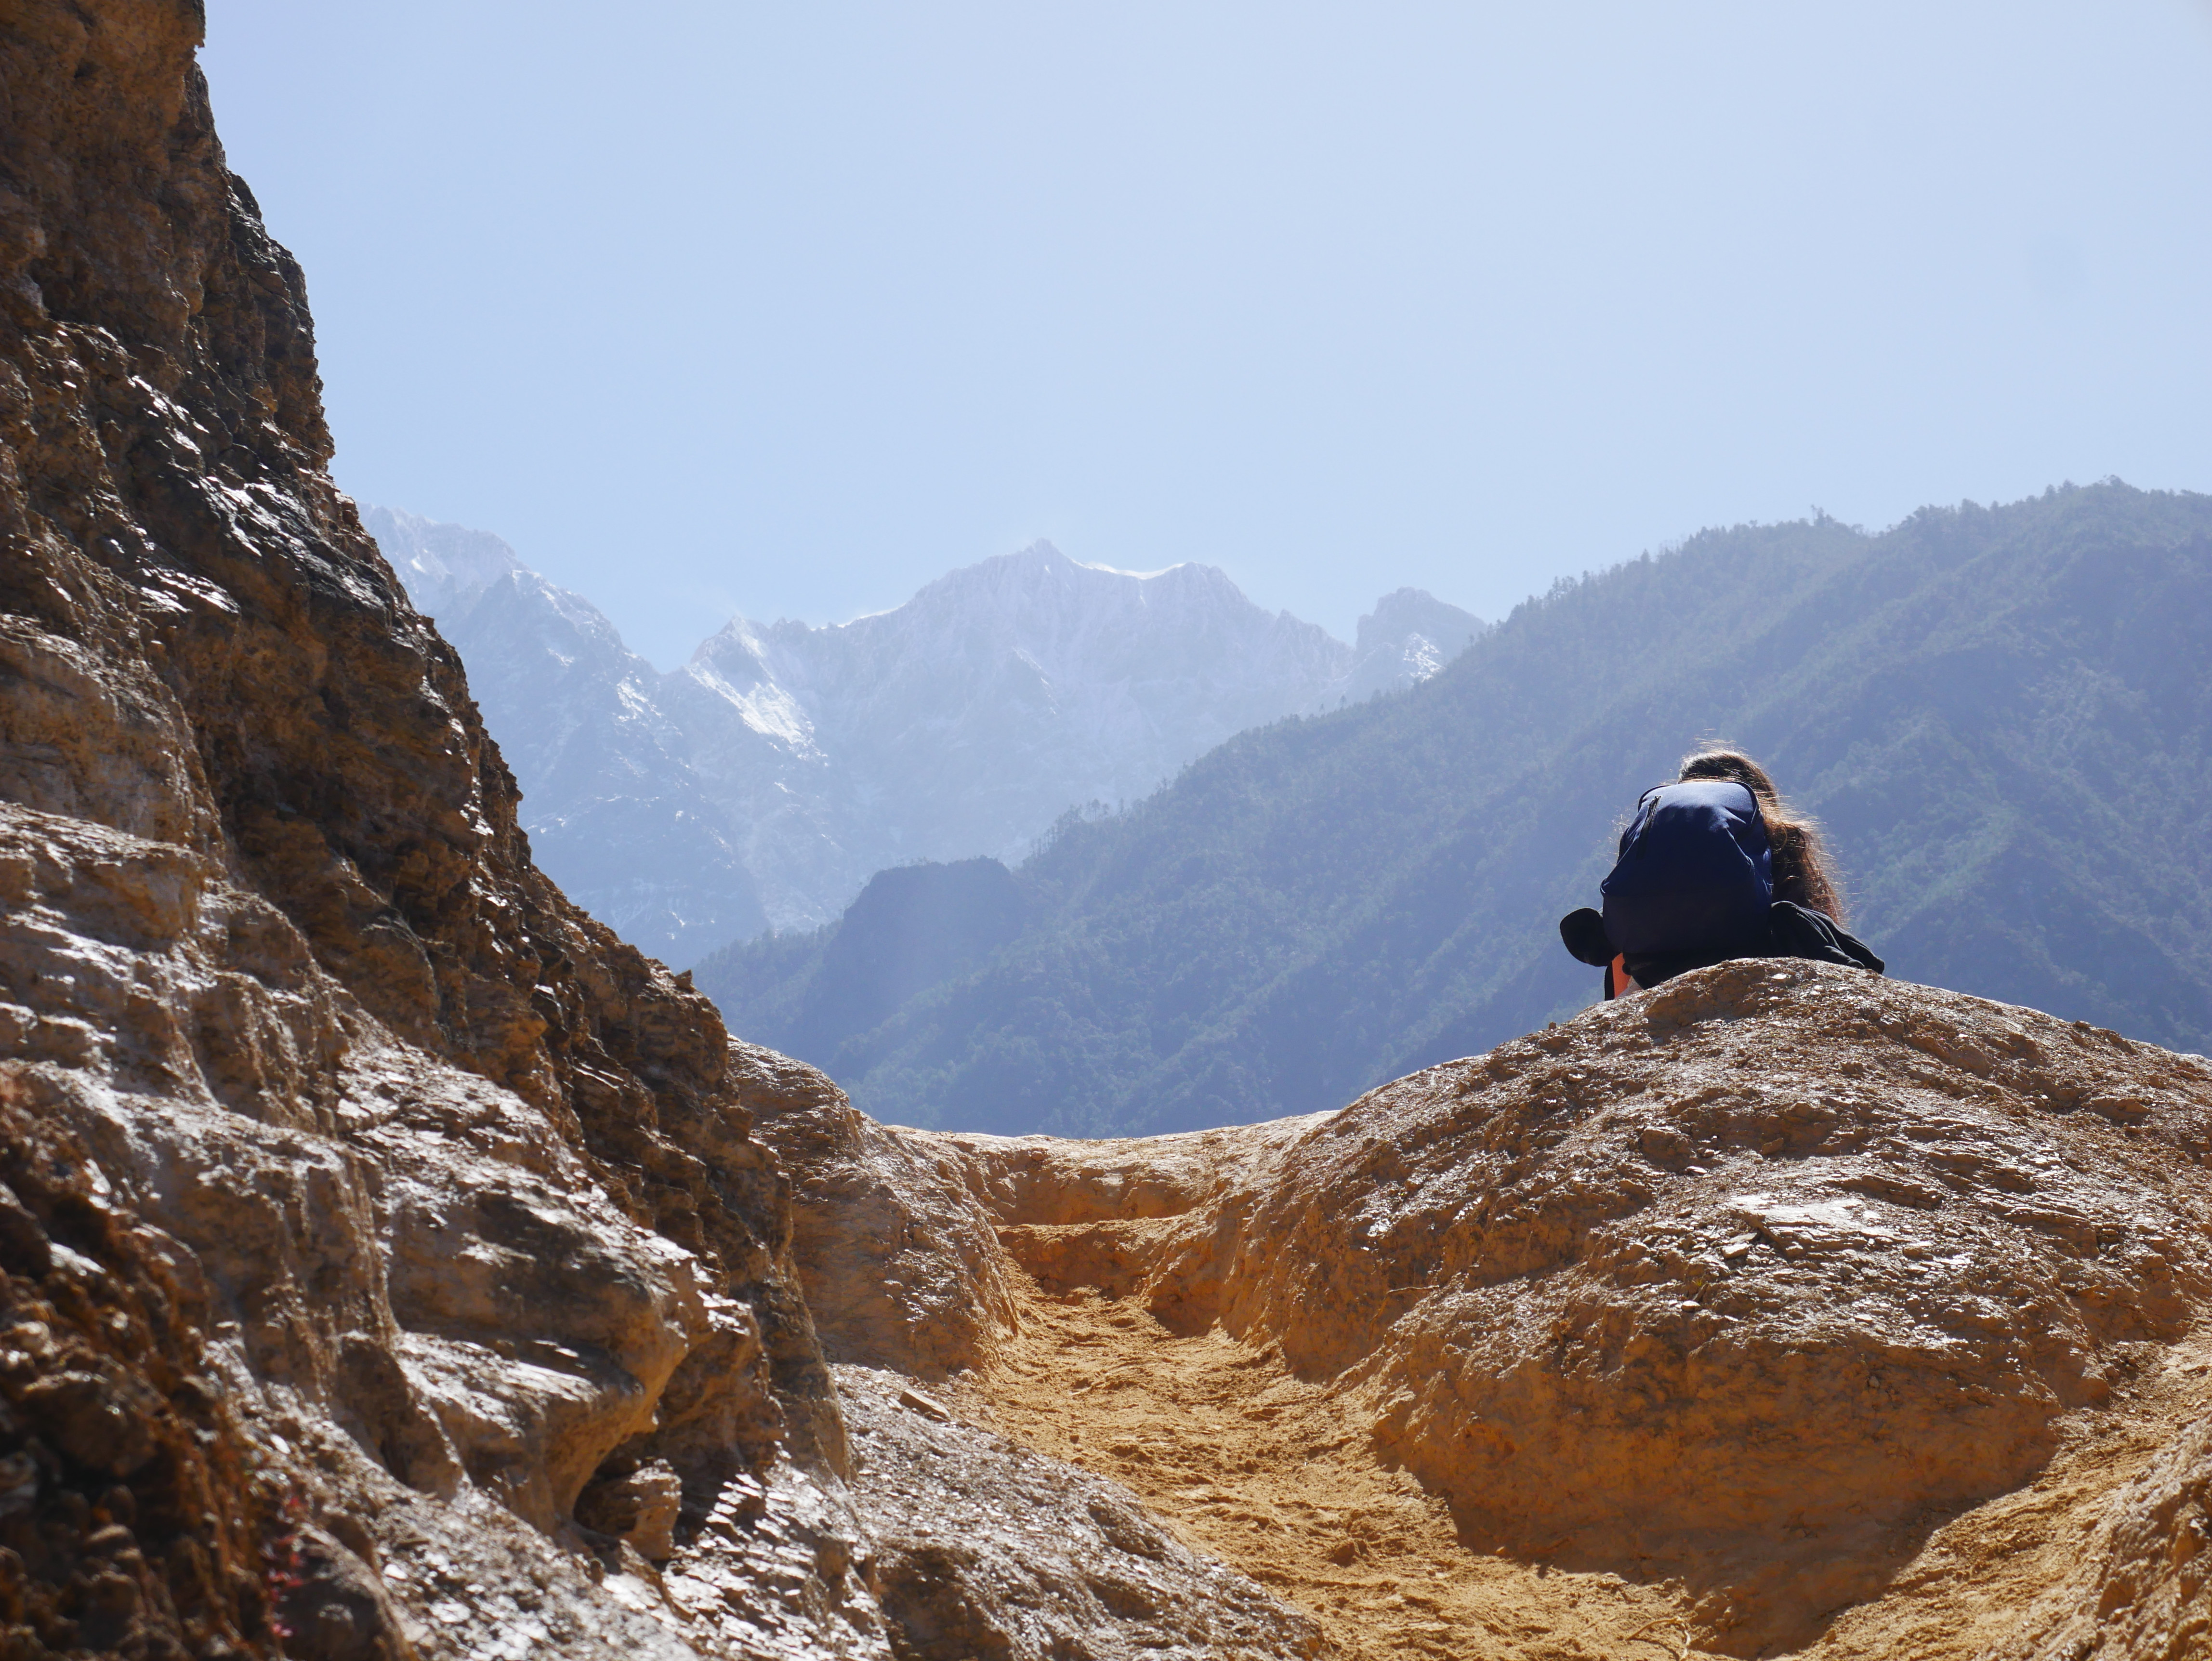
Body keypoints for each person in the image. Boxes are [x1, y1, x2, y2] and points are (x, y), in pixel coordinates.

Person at [1558, 747, 1883, 997]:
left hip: (1649, 968)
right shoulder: (1778, 834)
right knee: (1796, 922)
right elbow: (1807, 917)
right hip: (1753, 959)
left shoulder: (1658, 826)